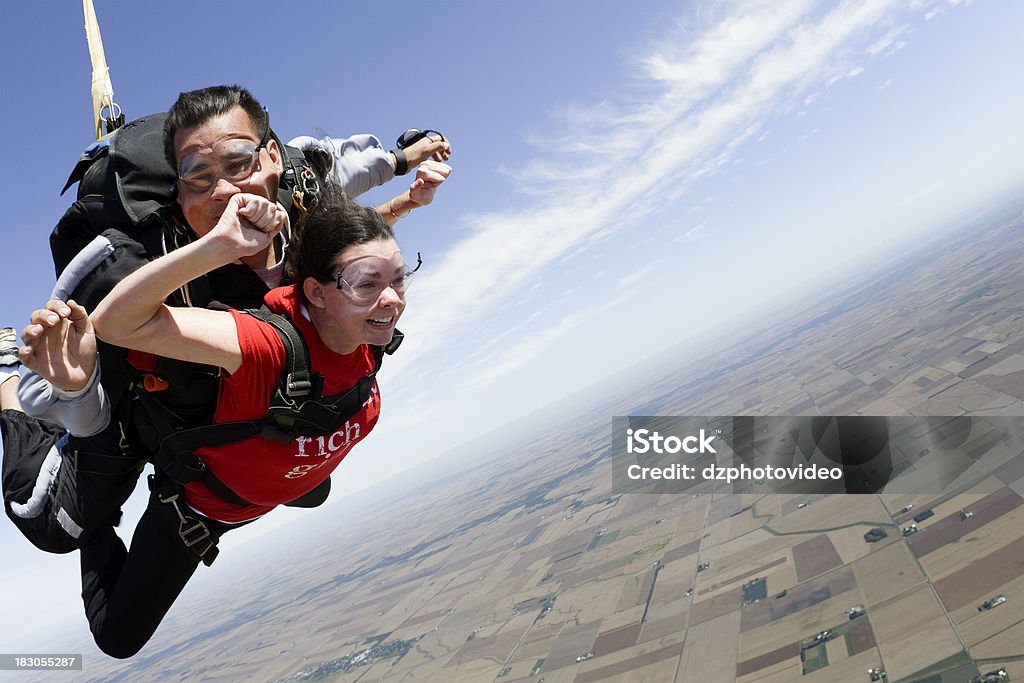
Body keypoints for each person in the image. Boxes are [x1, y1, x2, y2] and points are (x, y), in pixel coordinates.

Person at [9, 85, 450, 552]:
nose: (227, 192)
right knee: (59, 531)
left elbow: (345, 178)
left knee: (309, 489)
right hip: (130, 397)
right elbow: (43, 385)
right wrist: (74, 390)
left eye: (240, 163)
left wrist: (405, 168)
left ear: (269, 159)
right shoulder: (130, 266)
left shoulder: (298, 191)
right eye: (198, 175)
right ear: (179, 191)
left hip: (238, 391)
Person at [9, 182, 418, 657]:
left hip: (284, 473)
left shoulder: (366, 326)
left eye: (400, 278)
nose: (392, 299)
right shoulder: (265, 347)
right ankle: (10, 395)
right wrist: (216, 247)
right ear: (316, 293)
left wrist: (403, 203)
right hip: (200, 512)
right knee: (117, 639)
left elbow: (358, 265)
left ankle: (288, 480)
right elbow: (119, 323)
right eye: (369, 284)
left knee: (315, 491)